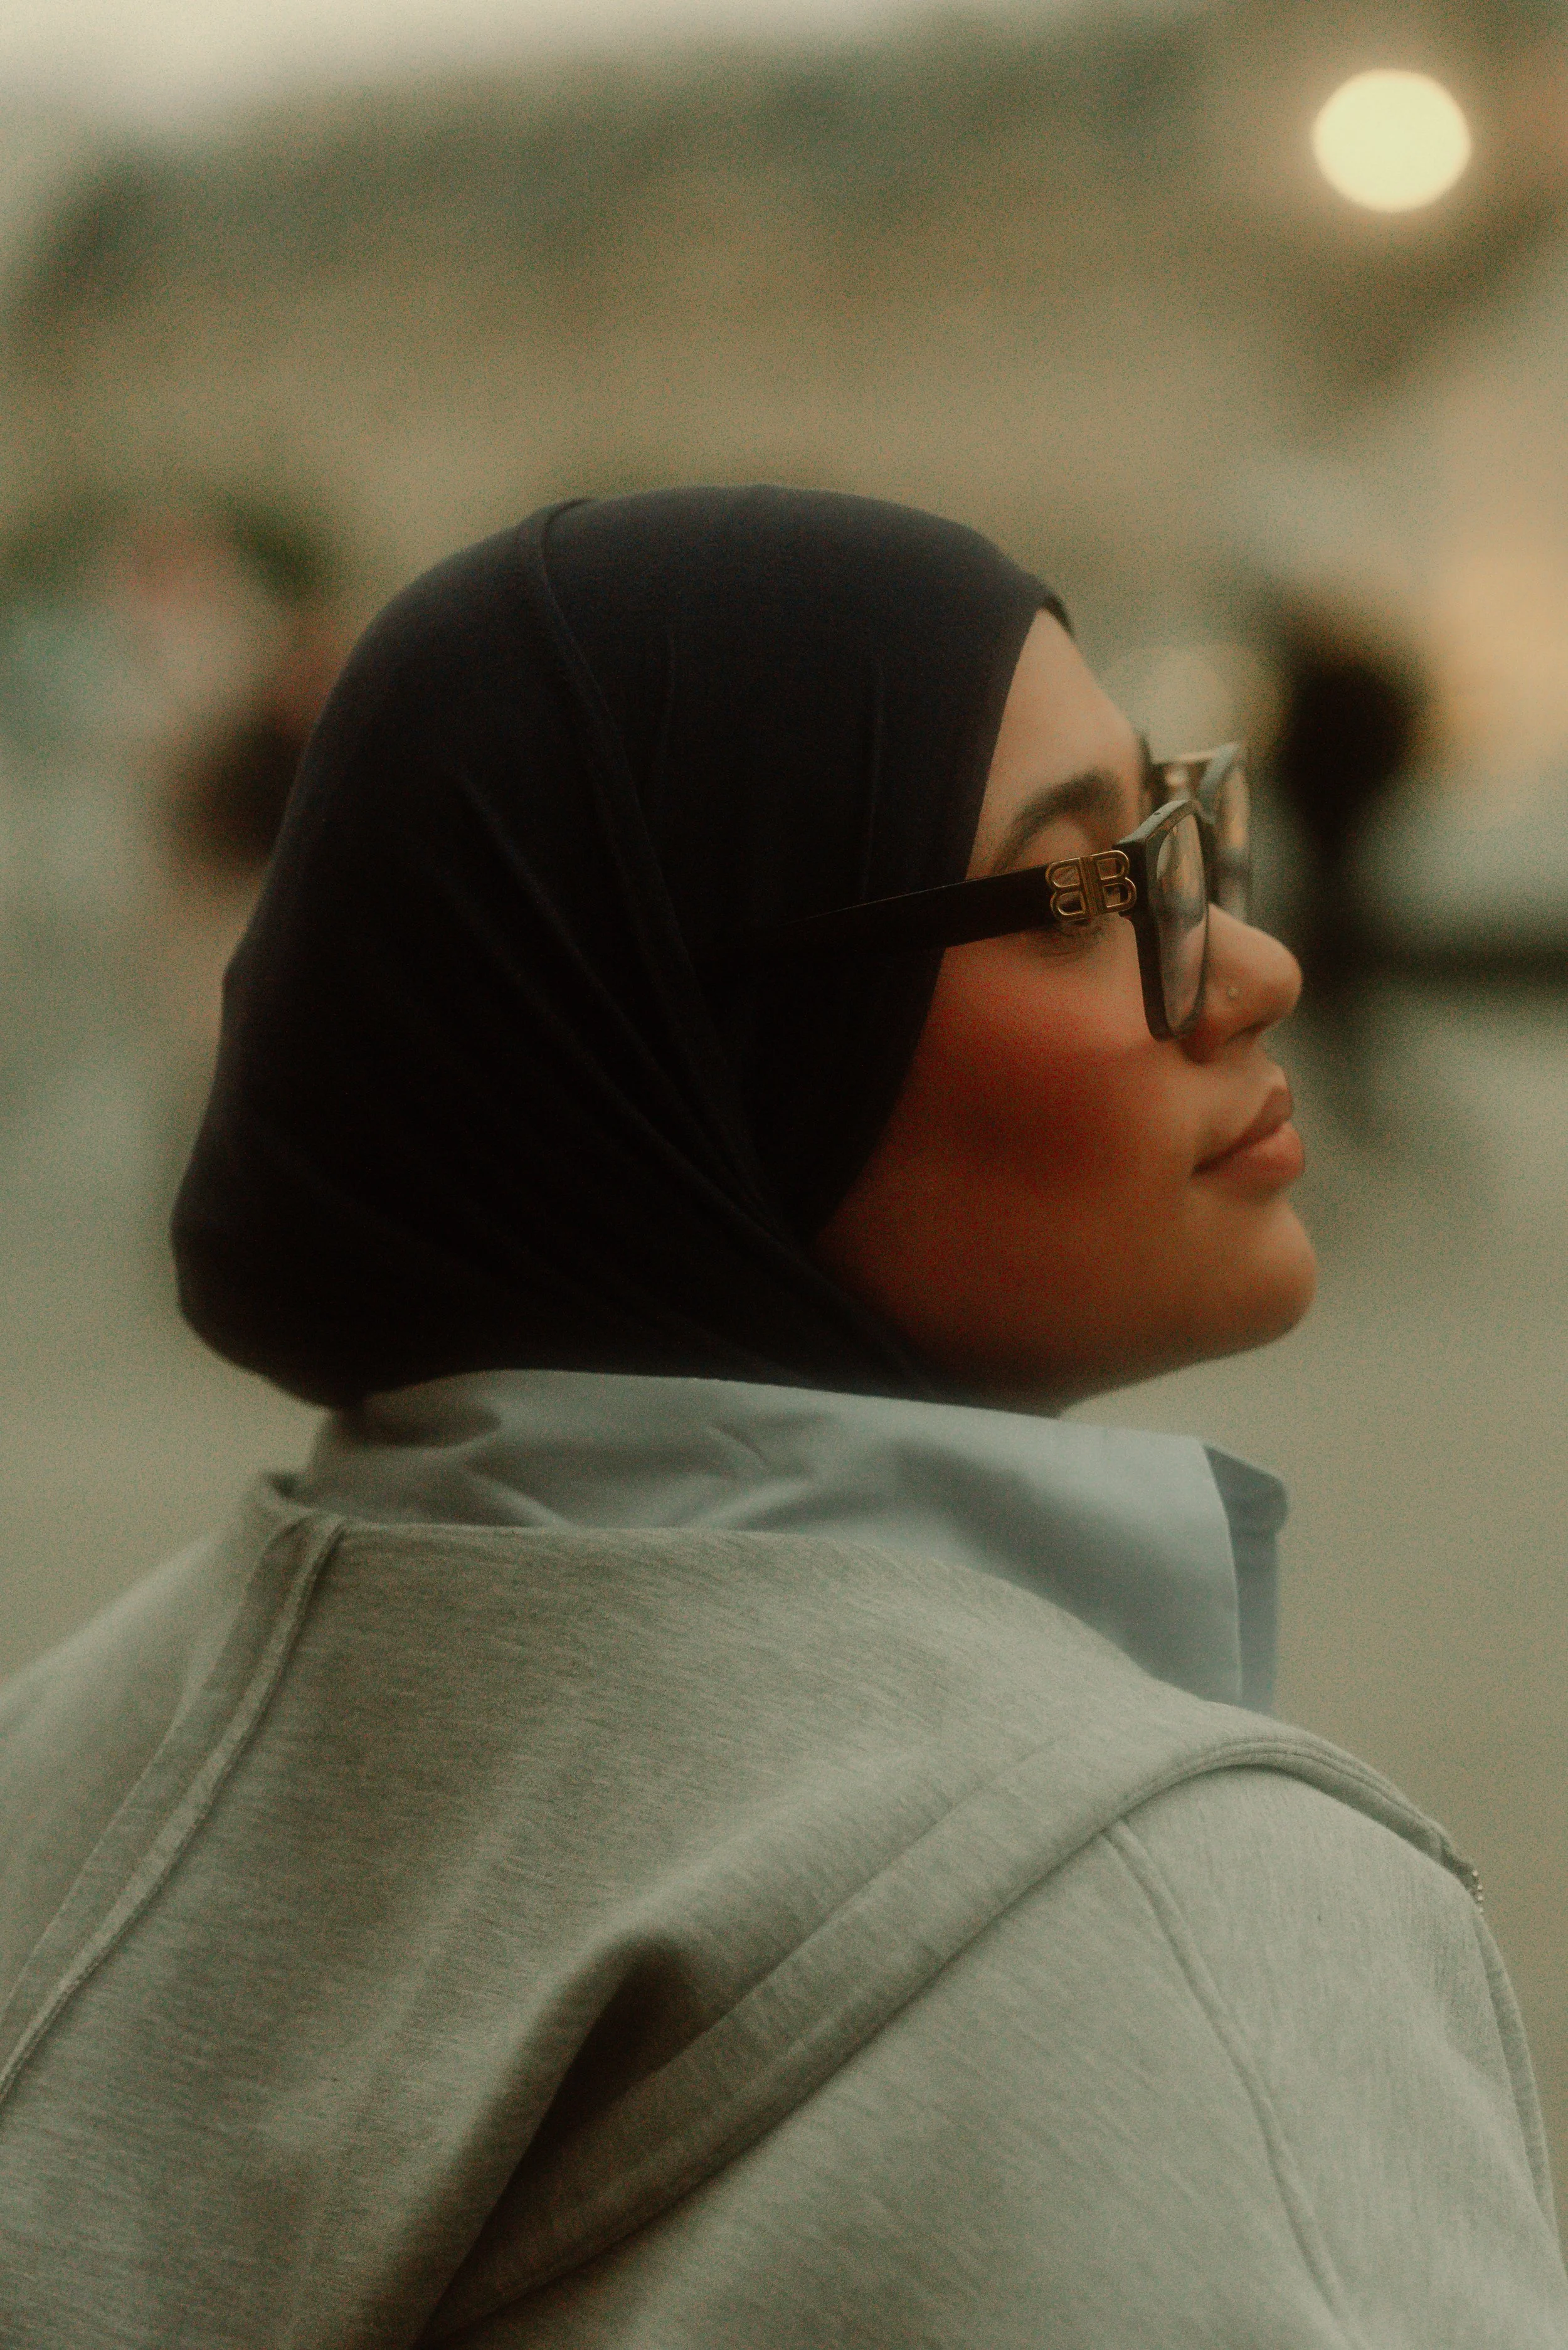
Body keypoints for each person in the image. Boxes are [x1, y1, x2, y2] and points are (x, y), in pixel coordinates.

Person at [1, 489, 1562, 2348]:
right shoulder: (1169, 1921)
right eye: (1083, 891)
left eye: (1183, 833)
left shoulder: (69, 1771)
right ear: (696, 1048)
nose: (1247, 966)